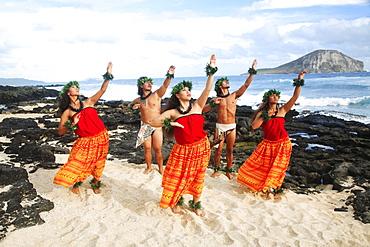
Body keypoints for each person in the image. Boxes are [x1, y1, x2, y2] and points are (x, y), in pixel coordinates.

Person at [149, 54, 217, 216]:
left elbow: (207, 90)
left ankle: (195, 203)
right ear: (177, 95)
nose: (187, 92)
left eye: (188, 90)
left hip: (201, 146)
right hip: (182, 150)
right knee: (178, 176)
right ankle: (178, 200)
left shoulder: (197, 106)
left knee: (198, 176)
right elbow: (153, 122)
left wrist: (211, 72)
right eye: (184, 90)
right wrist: (170, 123)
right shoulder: (173, 112)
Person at [237, 70, 307, 199]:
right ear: (267, 99)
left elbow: (295, 97)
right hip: (268, 144)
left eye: (276, 96)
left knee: (279, 168)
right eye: (272, 95)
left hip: (283, 143)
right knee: (261, 166)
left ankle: (276, 189)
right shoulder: (261, 114)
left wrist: (299, 81)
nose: (275, 97)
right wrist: (266, 116)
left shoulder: (282, 110)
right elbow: (253, 126)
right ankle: (261, 185)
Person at [53, 62, 114, 195]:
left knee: (99, 162)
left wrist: (108, 75)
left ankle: (96, 182)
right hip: (85, 140)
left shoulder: (88, 102)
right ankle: (77, 182)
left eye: (77, 87)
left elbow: (102, 90)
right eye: (74, 87)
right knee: (78, 161)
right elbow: (60, 131)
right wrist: (72, 124)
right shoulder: (67, 112)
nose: (77, 88)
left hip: (101, 136)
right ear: (68, 93)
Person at [204, 59, 257, 180]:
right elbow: (203, 110)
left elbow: (246, 85)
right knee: (218, 151)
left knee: (230, 150)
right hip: (220, 127)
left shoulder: (234, 95)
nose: (227, 81)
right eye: (224, 81)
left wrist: (252, 71)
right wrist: (212, 104)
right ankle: (216, 169)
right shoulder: (216, 99)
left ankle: (228, 170)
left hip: (232, 126)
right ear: (219, 86)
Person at [129, 65, 175, 175]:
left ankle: (160, 168)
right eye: (147, 82)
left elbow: (165, 85)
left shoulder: (157, 95)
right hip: (145, 126)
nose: (150, 84)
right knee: (147, 149)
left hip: (157, 126)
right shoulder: (139, 100)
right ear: (141, 85)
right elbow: (129, 105)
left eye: (150, 82)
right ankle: (149, 167)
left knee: (158, 149)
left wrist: (170, 75)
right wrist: (134, 107)